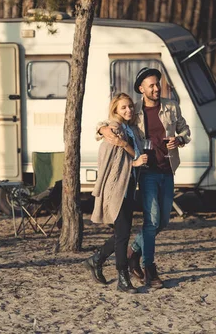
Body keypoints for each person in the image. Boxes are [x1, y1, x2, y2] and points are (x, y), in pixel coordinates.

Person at [97, 67, 190, 288]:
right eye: (152, 85)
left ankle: (133, 253)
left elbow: (185, 130)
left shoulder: (171, 106)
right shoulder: (134, 110)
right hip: (147, 173)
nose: (156, 88)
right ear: (142, 89)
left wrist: (179, 140)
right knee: (152, 221)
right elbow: (111, 122)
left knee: (163, 222)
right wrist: (101, 129)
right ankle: (149, 269)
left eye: (158, 84)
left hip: (167, 169)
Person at [84, 93, 149, 294]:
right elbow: (112, 161)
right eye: (123, 108)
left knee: (122, 233)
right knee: (122, 235)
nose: (128, 110)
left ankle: (96, 260)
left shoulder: (132, 129)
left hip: (128, 187)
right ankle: (122, 278)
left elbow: (136, 150)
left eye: (130, 106)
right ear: (115, 111)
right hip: (116, 189)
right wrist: (134, 162)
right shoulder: (114, 129)